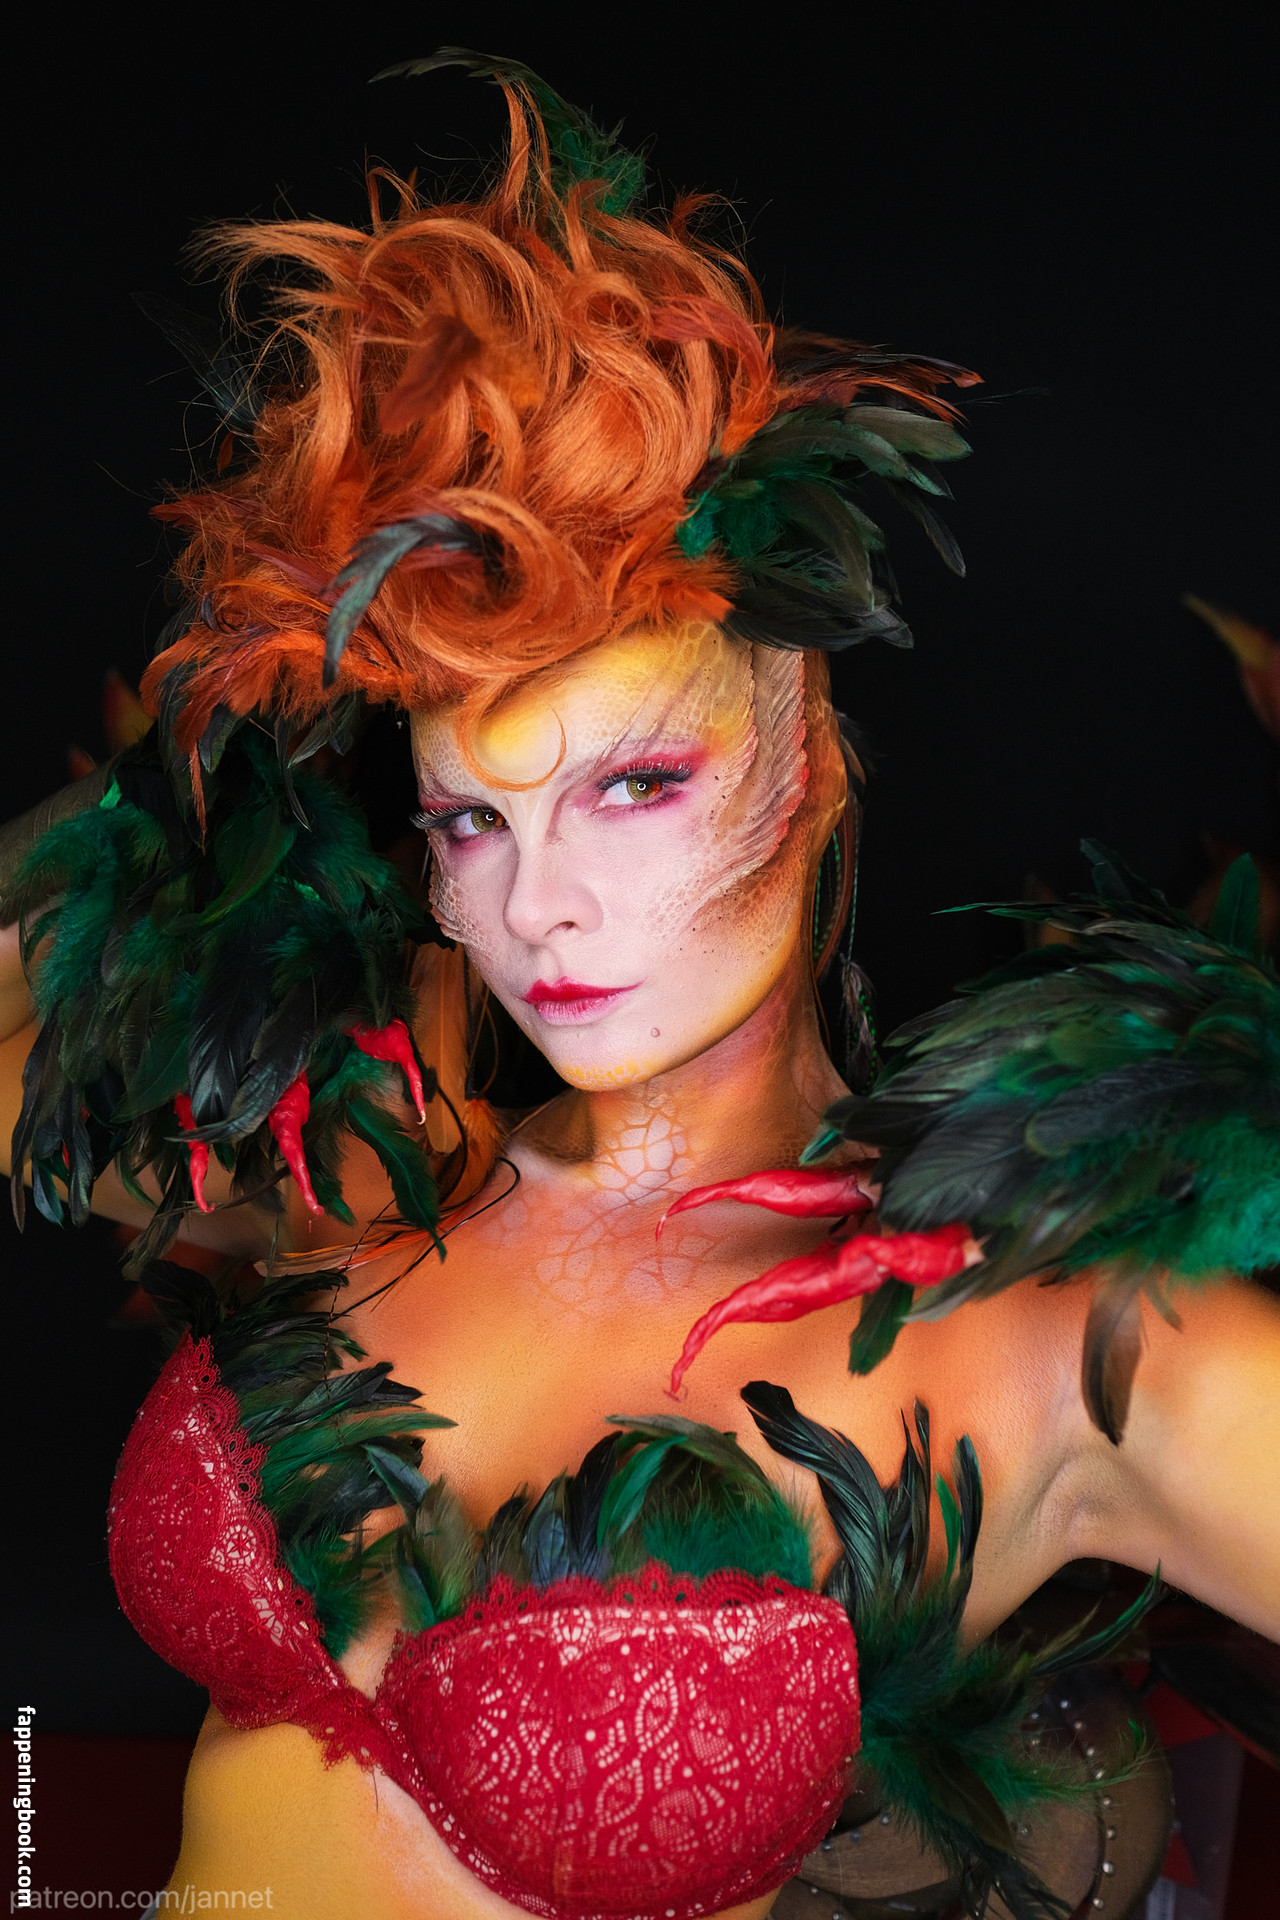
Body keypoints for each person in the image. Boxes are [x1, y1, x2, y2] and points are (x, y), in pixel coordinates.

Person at [2, 54, 1278, 1920]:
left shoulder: (1055, 1343)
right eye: (468, 822)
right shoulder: (381, 1166)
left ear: (809, 761)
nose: (539, 907)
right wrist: (193, 795)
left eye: (633, 787)